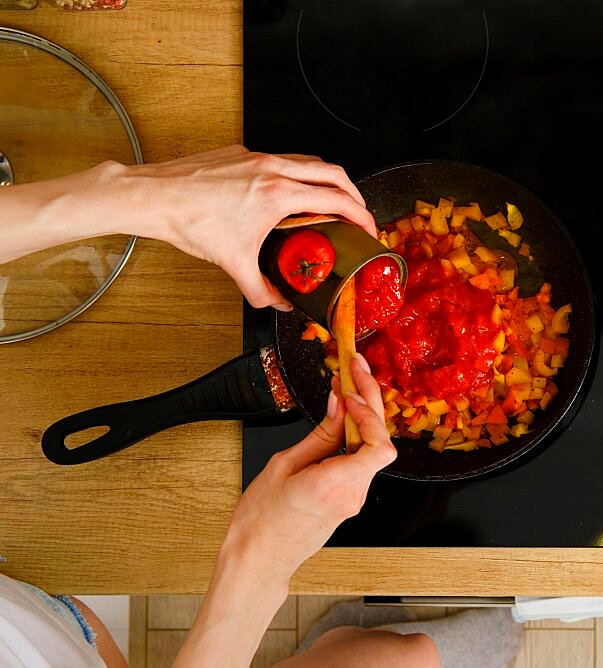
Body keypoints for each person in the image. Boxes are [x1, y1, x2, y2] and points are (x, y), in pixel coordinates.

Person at [0, 146, 523, 667]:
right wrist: (258, 566)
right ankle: (370, 645)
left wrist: (132, 192)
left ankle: (349, 642)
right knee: (403, 659)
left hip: (53, 627)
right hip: (59, 641)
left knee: (391, 656)